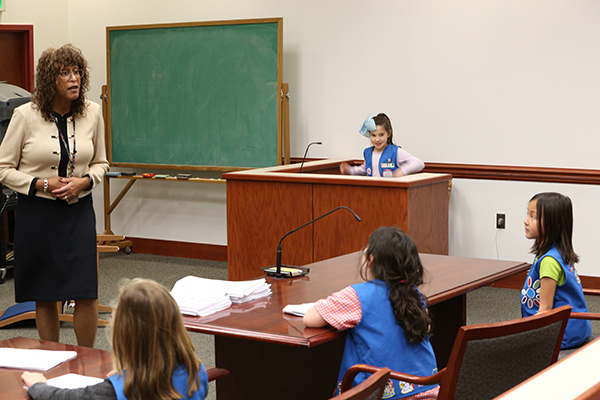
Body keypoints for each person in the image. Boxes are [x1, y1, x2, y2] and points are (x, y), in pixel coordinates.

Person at [0, 44, 109, 347]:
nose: (74, 79)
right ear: (51, 80)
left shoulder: (93, 113)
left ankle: (87, 358)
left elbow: (102, 162)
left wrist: (84, 182)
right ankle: (51, 356)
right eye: (65, 73)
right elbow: (3, 168)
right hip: (39, 214)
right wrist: (40, 184)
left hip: (77, 212)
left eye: (77, 72)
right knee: (45, 295)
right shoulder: (25, 116)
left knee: (86, 291)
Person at [304, 226, 439, 399]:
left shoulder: (357, 296)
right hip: (429, 391)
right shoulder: (415, 295)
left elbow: (310, 318)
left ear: (371, 260)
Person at [21, 278, 209, 400]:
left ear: (123, 334)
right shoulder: (197, 373)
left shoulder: (119, 389)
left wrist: (38, 385)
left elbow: (62, 398)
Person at [522, 192, 591, 349]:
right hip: (577, 328)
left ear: (552, 224)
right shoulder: (556, 252)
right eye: (527, 214)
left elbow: (545, 310)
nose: (525, 221)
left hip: (562, 334)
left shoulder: (549, 261)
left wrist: (518, 331)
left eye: (533, 217)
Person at [339, 113, 424, 178]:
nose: (377, 139)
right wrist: (350, 170)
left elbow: (419, 163)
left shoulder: (395, 152)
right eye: (373, 135)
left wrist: (402, 171)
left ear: (388, 133)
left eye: (381, 135)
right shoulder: (368, 153)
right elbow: (364, 169)